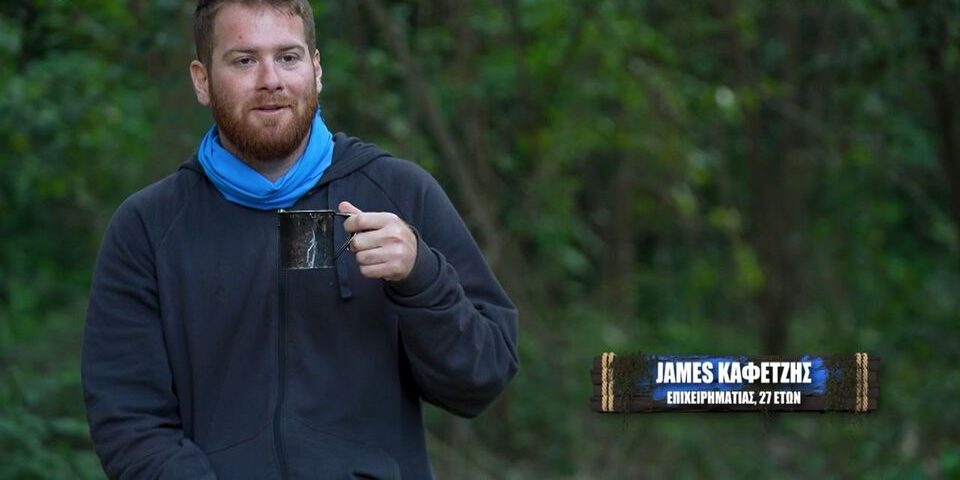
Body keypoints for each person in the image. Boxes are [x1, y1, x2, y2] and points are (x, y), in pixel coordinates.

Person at [81, 0, 519, 478]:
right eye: (244, 60)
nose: (270, 79)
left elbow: (482, 378)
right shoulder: (148, 228)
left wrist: (422, 278)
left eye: (287, 57)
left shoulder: (397, 194)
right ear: (202, 80)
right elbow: (129, 421)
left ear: (316, 69)